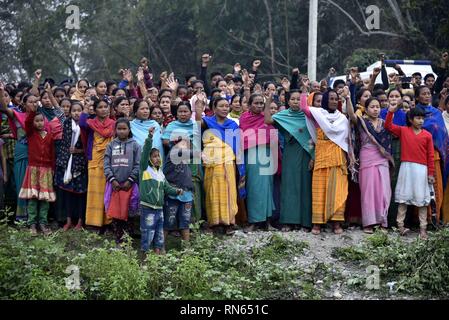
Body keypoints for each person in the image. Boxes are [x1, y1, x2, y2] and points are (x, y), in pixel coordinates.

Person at [195, 94, 246, 235]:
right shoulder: (207, 122)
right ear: (214, 108)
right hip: (212, 162)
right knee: (212, 191)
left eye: (226, 106)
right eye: (221, 106)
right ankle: (214, 223)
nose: (225, 109)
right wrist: (198, 110)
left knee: (229, 191)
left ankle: (229, 222)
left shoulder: (233, 124)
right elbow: (198, 127)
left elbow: (237, 145)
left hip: (228, 161)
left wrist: (240, 164)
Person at [301, 90, 349, 235]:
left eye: (336, 99)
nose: (334, 101)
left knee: (338, 190)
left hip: (337, 157)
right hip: (321, 156)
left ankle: (336, 223)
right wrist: (304, 89)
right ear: (325, 100)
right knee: (319, 190)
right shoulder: (318, 114)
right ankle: (317, 224)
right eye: (331, 99)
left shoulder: (342, 118)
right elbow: (304, 107)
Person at [385, 106, 435, 240]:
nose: (421, 121)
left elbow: (430, 156)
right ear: (410, 119)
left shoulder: (427, 135)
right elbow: (388, 126)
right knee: (403, 198)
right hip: (406, 168)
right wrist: (391, 111)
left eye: (422, 118)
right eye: (418, 118)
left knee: (422, 201)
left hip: (421, 170)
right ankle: (400, 226)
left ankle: (423, 229)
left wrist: (431, 173)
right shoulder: (403, 131)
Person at [347, 95, 393, 233]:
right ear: (366, 109)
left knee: (384, 191)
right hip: (367, 158)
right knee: (368, 192)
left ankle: (382, 221)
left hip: (382, 159)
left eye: (377, 107)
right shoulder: (362, 122)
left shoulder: (384, 123)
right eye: (372, 107)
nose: (375, 109)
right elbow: (351, 115)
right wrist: (348, 98)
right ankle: (369, 223)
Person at [139, 127, 182, 254]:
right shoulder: (145, 169)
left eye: (158, 156)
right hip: (148, 208)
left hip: (159, 208)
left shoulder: (161, 174)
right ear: (148, 159)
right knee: (148, 232)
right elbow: (145, 152)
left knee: (159, 232)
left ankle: (157, 253)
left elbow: (167, 188)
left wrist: (176, 191)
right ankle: (145, 255)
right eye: (154, 156)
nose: (157, 158)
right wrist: (150, 138)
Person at [240, 93, 277, 232]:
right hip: (251, 154)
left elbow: (272, 136)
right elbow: (244, 137)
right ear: (249, 105)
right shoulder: (244, 118)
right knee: (254, 188)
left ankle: (267, 221)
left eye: (262, 103)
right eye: (256, 103)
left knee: (268, 187)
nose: (259, 106)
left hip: (267, 154)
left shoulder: (267, 118)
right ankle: (254, 221)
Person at [19, 108, 59, 236]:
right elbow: (27, 122)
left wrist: (52, 168)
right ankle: (32, 224)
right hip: (33, 170)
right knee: (33, 198)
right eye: (37, 121)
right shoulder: (30, 134)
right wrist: (32, 111)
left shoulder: (50, 136)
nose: (39, 123)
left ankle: (43, 223)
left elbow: (52, 154)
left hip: (46, 170)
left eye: (41, 120)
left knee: (44, 199)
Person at [162, 101, 202, 223]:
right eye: (180, 111)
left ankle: (194, 220)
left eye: (186, 111)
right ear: (176, 113)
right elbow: (165, 141)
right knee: (177, 187)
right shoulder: (171, 125)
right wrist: (179, 142)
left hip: (193, 161)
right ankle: (176, 222)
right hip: (177, 162)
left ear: (191, 113)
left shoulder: (194, 125)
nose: (183, 114)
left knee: (193, 187)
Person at [80, 97, 115, 228]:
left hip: (110, 160)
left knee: (108, 191)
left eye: (105, 107)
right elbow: (82, 123)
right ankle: (94, 222)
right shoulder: (90, 123)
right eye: (100, 107)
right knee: (95, 190)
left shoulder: (113, 123)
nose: (103, 109)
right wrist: (85, 107)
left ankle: (108, 222)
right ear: (95, 110)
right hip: (95, 160)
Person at [104, 118, 141, 243]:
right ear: (115, 130)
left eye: (124, 129)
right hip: (114, 185)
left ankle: (128, 239)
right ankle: (119, 238)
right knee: (116, 212)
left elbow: (138, 165)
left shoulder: (135, 145)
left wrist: (130, 180)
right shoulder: (111, 145)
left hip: (129, 185)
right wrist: (112, 180)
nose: (121, 131)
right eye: (119, 129)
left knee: (129, 213)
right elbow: (106, 165)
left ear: (129, 130)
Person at [55, 101, 88, 231]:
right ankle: (68, 220)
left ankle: (80, 221)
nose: (76, 113)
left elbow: (89, 146)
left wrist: (79, 151)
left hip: (80, 164)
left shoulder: (86, 125)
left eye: (79, 110)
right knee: (67, 193)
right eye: (73, 110)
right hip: (66, 162)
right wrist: (49, 93)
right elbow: (57, 108)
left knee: (80, 194)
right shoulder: (66, 122)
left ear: (83, 112)